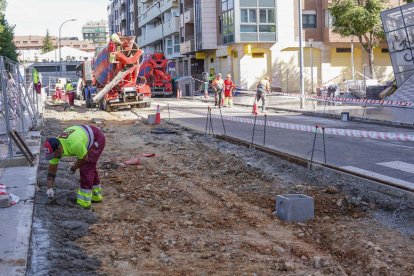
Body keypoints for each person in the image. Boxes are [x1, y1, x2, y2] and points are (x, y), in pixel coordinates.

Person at [44, 125, 106, 209]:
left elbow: (84, 159)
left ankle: (84, 202)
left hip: (96, 138)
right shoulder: (55, 148)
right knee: (90, 167)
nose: (53, 157)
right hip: (82, 136)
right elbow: (52, 168)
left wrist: (73, 168)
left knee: (86, 168)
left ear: (59, 149)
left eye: (53, 155)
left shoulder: (74, 144)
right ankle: (96, 196)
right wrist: (49, 188)